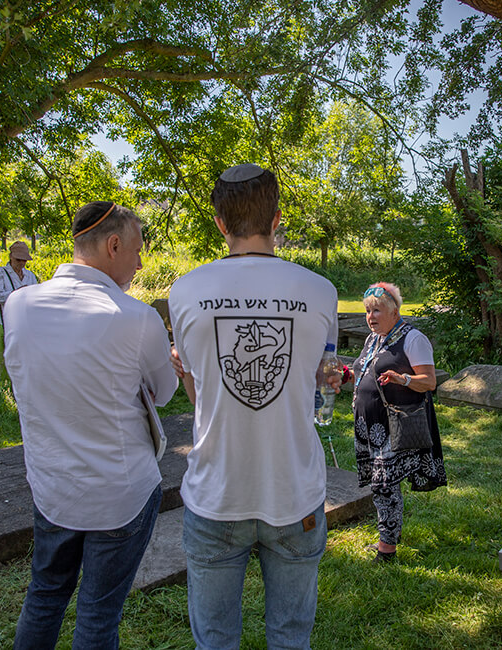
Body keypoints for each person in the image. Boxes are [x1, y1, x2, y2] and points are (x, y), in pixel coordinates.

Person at [168, 164, 339, 649]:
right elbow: (320, 380)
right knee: (290, 640)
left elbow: (201, 398)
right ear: (278, 218)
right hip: (294, 493)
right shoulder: (320, 291)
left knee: (215, 642)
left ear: (220, 223)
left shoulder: (184, 292)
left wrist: (186, 373)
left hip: (217, 494)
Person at [3, 201, 178, 649]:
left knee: (44, 596)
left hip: (52, 485)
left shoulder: (19, 305)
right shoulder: (137, 318)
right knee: (98, 614)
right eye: (137, 250)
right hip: (118, 492)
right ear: (113, 245)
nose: (140, 263)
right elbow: (162, 392)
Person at [345, 282, 446, 562]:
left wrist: (403, 379)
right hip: (370, 425)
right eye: (368, 311)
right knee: (380, 482)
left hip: (395, 423)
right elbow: (367, 371)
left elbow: (430, 382)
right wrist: (347, 375)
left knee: (384, 484)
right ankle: (389, 533)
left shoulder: (413, 339)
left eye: (377, 310)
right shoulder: (373, 339)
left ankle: (387, 550)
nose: (371, 317)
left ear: (395, 310)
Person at [0, 240, 39, 384]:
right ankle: (0, 389)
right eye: (18, 259)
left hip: (20, 321)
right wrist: (18, 293)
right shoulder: (1, 273)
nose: (22, 263)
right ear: (11, 257)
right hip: (0, 320)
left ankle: (15, 387)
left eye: (24, 260)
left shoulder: (30, 276)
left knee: (17, 357)